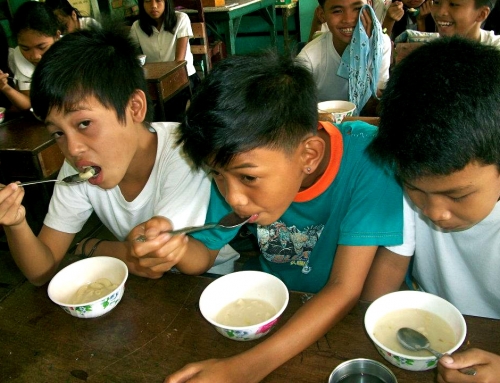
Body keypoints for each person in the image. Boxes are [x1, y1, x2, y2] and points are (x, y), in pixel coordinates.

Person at [127, 50, 403, 382]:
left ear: (309, 155)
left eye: (248, 178)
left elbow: (344, 289)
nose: (234, 198)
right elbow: (202, 256)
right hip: (275, 312)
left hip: (341, 324)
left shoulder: (369, 159)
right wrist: (174, 248)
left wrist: (244, 369)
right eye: (216, 175)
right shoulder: (234, 169)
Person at [0, 23, 213, 287]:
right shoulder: (78, 167)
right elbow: (41, 271)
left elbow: (153, 262)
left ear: (135, 107)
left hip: (209, 283)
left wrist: (92, 246)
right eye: (57, 133)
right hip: (147, 293)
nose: (73, 148)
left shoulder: (183, 150)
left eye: (84, 124)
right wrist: (15, 222)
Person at [362, 36, 500, 382]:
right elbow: (391, 267)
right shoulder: (415, 181)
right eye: (416, 190)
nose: (434, 212)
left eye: (457, 196)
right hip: (430, 335)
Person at [297, 0, 392, 115]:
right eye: (337, 11)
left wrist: (363, 53)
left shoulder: (380, 44)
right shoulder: (309, 58)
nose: (348, 19)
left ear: (369, 7)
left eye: (357, 9)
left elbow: (376, 106)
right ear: (322, 15)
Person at [0, 2, 60, 111]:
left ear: (57, 36)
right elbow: (28, 102)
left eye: (42, 47)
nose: (35, 56)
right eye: (25, 48)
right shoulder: (19, 58)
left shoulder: (72, 51)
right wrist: (4, 87)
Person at [129, 0, 198, 90]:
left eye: (158, 0)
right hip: (155, 81)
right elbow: (131, 55)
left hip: (183, 77)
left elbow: (179, 61)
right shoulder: (137, 26)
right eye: (147, 1)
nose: (153, 5)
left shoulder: (181, 19)